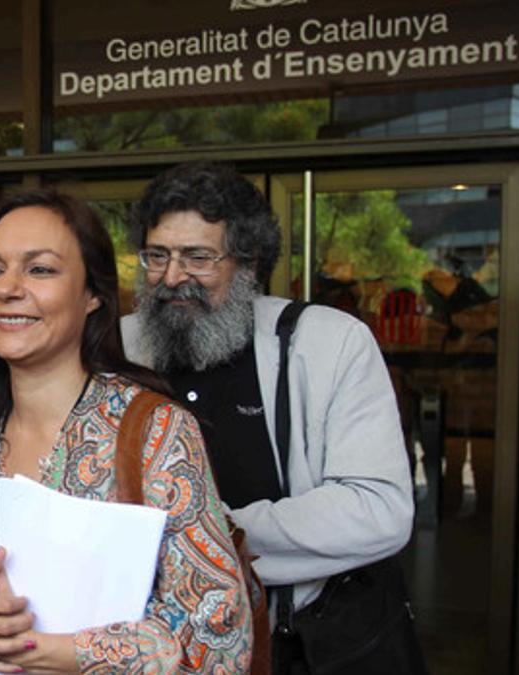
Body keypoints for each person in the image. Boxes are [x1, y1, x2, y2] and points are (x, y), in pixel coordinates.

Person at [0, 189, 252, 673]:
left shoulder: (154, 432)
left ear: (93, 294)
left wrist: (58, 654)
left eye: (40, 269)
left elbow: (218, 629)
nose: (8, 288)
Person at [119, 161, 415, 670]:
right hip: (158, 646)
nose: (171, 277)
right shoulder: (117, 346)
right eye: (157, 255)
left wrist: (200, 537)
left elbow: (377, 508)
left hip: (303, 646)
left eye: (198, 257)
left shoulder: (328, 343)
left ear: (249, 262)